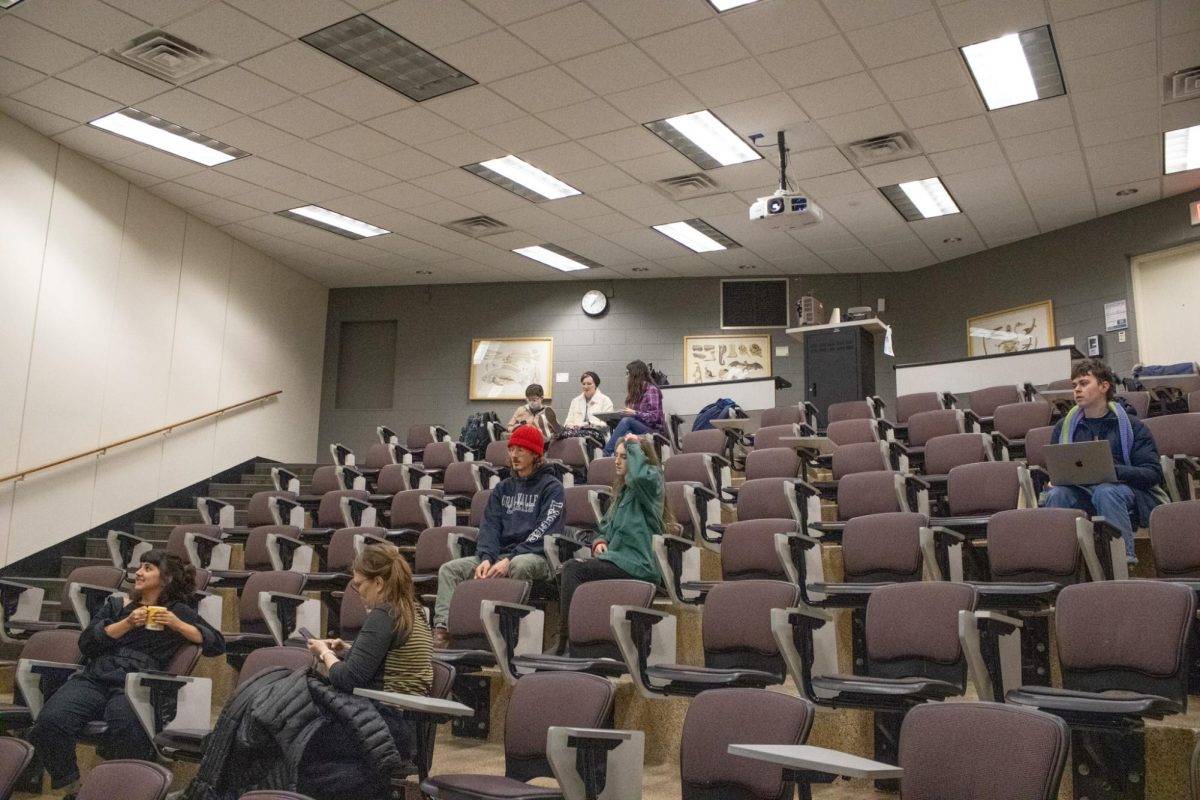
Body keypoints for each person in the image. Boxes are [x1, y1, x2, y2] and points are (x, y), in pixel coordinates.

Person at [29, 550, 225, 795]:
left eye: (148, 568)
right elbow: (87, 643)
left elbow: (216, 644)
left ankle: (121, 790)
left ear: (166, 579)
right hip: (96, 676)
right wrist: (128, 623)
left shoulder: (177, 611)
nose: (139, 572)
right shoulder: (115, 605)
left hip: (137, 683)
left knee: (126, 728)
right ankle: (73, 788)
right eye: (140, 566)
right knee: (49, 722)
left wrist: (177, 624)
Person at [300, 544, 433, 798]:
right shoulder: (413, 611)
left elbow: (347, 679)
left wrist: (324, 652)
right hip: (404, 726)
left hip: (384, 725)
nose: (357, 591)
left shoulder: (385, 613)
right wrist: (350, 649)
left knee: (297, 733)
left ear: (379, 583)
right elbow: (393, 658)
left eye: (360, 584)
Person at [431, 424, 563, 648]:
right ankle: (444, 631)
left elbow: (545, 531)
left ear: (535, 454)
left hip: (536, 557)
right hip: (498, 556)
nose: (514, 455)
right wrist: (486, 558)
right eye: (512, 449)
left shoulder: (552, 487)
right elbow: (489, 526)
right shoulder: (503, 488)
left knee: (518, 566)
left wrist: (508, 560)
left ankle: (505, 632)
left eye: (521, 450)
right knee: (449, 570)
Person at [1043, 358, 1166, 564]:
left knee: (1106, 491)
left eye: (1083, 383)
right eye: (1074, 386)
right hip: (1080, 490)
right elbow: (1058, 468)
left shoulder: (1133, 425)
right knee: (1057, 494)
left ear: (1104, 386)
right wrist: (1055, 480)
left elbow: (1153, 473)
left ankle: (1123, 561)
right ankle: (1059, 562)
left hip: (1125, 491)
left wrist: (1113, 471)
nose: (1077, 390)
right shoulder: (1063, 427)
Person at [554, 433, 669, 653]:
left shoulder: (652, 481)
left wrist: (634, 444)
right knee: (568, 570)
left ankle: (566, 642)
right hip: (617, 561)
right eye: (616, 455)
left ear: (640, 459)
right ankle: (579, 642)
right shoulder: (622, 494)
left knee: (573, 569)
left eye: (624, 456)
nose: (616, 461)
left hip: (638, 564)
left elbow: (637, 478)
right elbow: (604, 528)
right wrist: (599, 542)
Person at [603, 360, 664, 456]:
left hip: (651, 429)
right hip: (638, 427)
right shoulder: (635, 392)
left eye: (628, 373)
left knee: (627, 421)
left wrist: (635, 413)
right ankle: (622, 460)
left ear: (635, 374)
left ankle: (606, 453)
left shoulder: (651, 390)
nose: (626, 376)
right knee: (627, 432)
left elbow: (655, 417)